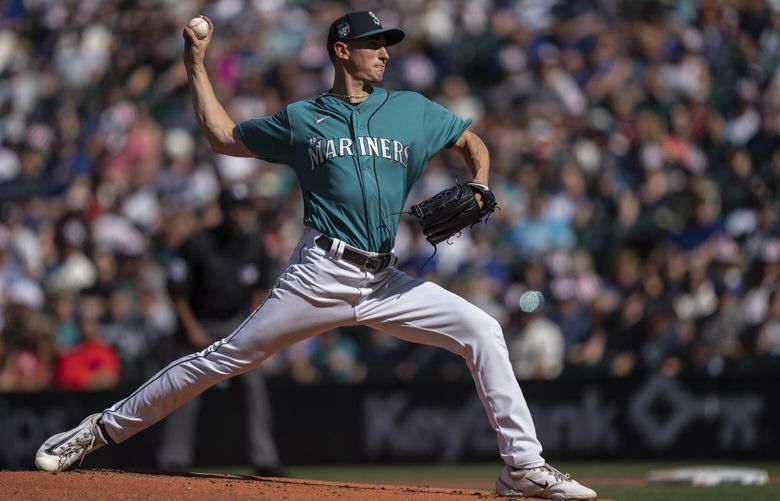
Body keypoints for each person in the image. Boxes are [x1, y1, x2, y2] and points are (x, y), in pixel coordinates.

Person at [34, 11, 596, 500]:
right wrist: (195, 61)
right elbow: (222, 135)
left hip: (385, 281)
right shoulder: (302, 119)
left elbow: (470, 140)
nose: (385, 53)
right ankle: (96, 431)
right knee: (223, 358)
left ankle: (522, 467)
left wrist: (480, 180)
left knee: (482, 330)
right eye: (375, 44)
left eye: (388, 44)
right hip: (321, 271)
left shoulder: (411, 109)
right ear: (341, 50)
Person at [156, 184, 284, 475]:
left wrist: (250, 324)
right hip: (199, 324)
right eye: (234, 208)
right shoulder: (198, 243)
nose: (240, 214)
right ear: (223, 211)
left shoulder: (255, 243)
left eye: (244, 208)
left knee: (254, 387)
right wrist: (190, 329)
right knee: (183, 388)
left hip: (235, 326)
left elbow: (263, 286)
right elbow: (176, 290)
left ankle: (264, 459)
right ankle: (173, 460)